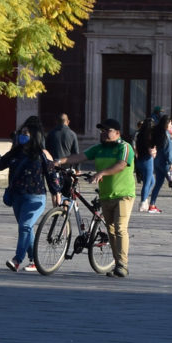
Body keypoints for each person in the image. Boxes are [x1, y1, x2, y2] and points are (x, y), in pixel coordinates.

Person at [54, 118, 136, 278]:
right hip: (106, 195)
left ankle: (122, 265)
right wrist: (59, 161)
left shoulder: (125, 147)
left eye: (107, 130)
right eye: (102, 130)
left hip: (124, 195)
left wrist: (101, 173)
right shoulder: (98, 149)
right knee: (111, 230)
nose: (104, 133)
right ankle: (117, 262)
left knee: (119, 228)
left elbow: (121, 164)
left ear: (117, 133)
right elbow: (78, 157)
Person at [0, 116, 61, 273]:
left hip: (36, 197)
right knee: (27, 228)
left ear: (34, 135)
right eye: (22, 132)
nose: (23, 135)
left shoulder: (42, 154)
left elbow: (51, 176)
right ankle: (34, 261)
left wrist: (57, 196)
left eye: (27, 133)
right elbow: (0, 165)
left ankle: (17, 260)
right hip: (17, 197)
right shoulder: (15, 152)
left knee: (25, 226)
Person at [134, 118, 156, 212]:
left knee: (152, 181)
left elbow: (136, 147)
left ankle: (145, 198)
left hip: (140, 160)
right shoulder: (149, 136)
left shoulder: (139, 135)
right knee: (147, 183)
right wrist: (154, 151)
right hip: (147, 160)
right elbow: (151, 150)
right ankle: (143, 202)